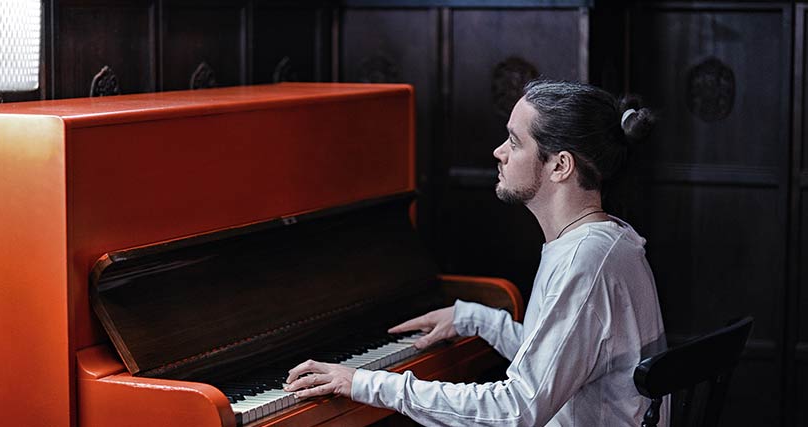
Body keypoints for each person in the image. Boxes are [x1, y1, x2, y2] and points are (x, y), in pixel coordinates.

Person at [283, 79, 667, 426]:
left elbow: (517, 408)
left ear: (560, 166)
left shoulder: (587, 262)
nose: (499, 152)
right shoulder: (605, 239)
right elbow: (559, 362)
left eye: (515, 142)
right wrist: (475, 318)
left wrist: (366, 382)